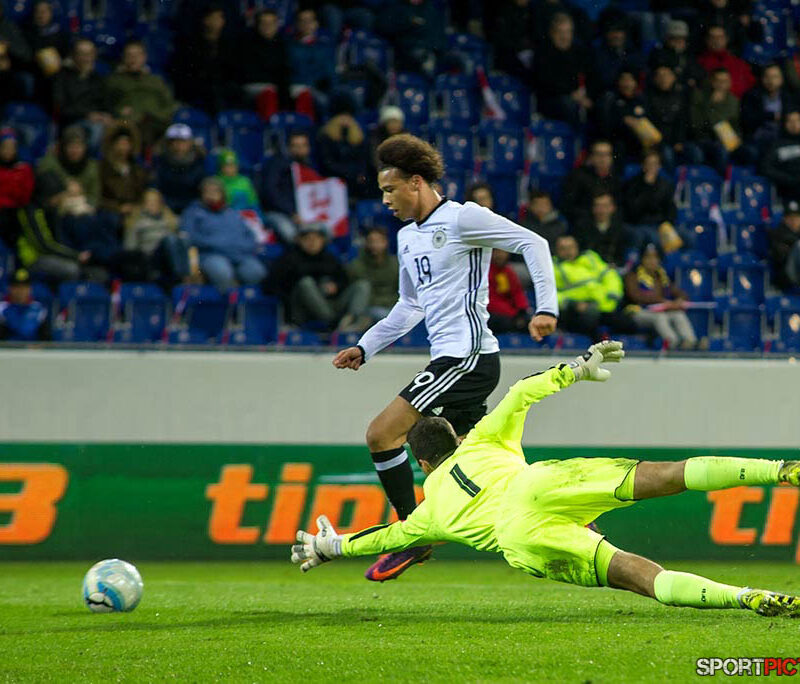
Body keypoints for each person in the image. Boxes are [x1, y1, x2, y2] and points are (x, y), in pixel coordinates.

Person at [294, 341, 800, 621]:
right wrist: (576, 370)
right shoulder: (484, 441)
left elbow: (382, 538)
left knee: (636, 574)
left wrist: (330, 547)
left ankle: (746, 597)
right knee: (665, 476)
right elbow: (518, 393)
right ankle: (780, 471)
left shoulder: (430, 510)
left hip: (520, 538)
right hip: (537, 485)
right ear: (454, 434)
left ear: (422, 464)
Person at [332, 133, 558, 581]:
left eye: (390, 189)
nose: (385, 199)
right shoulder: (406, 238)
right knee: (484, 459)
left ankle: (411, 534)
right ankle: (564, 515)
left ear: (416, 182)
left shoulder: (463, 218)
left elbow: (534, 243)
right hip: (453, 359)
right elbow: (409, 306)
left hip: (467, 357)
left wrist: (546, 307)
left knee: (382, 434)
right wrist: (366, 346)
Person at [269, 223, 371, 331]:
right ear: (300, 241)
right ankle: (334, 324)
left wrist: (336, 286)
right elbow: (272, 285)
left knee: (362, 285)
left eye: (316, 238)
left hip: (330, 302)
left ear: (323, 240)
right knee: (306, 283)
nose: (312, 242)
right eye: (308, 239)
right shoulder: (289, 259)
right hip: (302, 309)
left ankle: (351, 321)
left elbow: (344, 280)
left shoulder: (330, 258)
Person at [181, 177, 266, 291]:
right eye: (208, 191)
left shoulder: (232, 213)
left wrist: (244, 247)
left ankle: (248, 306)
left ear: (222, 193)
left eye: (215, 191)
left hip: (240, 255)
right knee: (223, 273)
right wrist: (216, 244)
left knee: (257, 272)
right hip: (211, 255)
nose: (212, 194)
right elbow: (189, 236)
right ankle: (228, 305)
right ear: (202, 194)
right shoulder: (193, 212)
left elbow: (250, 236)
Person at [552, 234, 635, 339]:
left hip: (603, 304)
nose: (568, 251)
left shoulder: (590, 257)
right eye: (563, 248)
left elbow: (609, 274)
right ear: (556, 250)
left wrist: (613, 293)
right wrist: (572, 304)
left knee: (629, 324)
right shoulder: (552, 266)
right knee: (590, 323)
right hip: (576, 309)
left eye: (571, 247)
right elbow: (550, 293)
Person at [624, 245, 697, 349]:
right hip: (638, 312)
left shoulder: (661, 276)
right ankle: (672, 343)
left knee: (678, 314)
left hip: (661, 310)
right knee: (660, 318)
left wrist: (679, 299)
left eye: (655, 257)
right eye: (648, 258)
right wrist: (664, 302)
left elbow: (679, 292)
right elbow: (636, 296)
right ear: (642, 260)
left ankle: (690, 342)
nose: (652, 261)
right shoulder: (633, 275)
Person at [106, 40, 177, 147]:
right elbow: (107, 104)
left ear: (144, 57)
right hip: (129, 123)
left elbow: (169, 104)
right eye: (129, 55)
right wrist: (119, 111)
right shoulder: (114, 81)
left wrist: (161, 115)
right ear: (123, 58)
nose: (133, 59)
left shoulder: (156, 81)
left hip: (157, 122)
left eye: (137, 55)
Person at [171, 3, 237, 114]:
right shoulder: (191, 45)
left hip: (223, 87)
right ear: (206, 20)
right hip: (199, 88)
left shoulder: (228, 45)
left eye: (220, 17)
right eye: (215, 18)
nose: (218, 21)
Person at [532, 13, 591, 129]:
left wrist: (587, 96)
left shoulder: (578, 52)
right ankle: (575, 142)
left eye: (568, 32)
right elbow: (545, 83)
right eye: (560, 32)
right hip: (551, 101)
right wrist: (572, 94)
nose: (565, 37)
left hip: (577, 98)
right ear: (552, 33)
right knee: (568, 104)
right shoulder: (543, 53)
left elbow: (591, 76)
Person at [52, 39, 112, 151]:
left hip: (97, 120)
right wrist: (87, 115)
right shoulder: (62, 77)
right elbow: (61, 107)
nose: (86, 58)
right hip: (72, 121)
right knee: (96, 130)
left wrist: (106, 115)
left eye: (89, 54)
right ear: (74, 56)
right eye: (82, 54)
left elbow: (105, 103)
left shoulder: (98, 79)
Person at [125, 188, 192, 287]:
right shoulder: (137, 222)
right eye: (149, 201)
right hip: (150, 256)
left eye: (155, 201)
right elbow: (130, 247)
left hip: (168, 256)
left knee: (184, 238)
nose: (152, 204)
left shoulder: (170, 219)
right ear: (143, 204)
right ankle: (182, 276)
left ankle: (185, 274)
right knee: (170, 239)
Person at [259, 130, 315, 244]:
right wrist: (291, 212)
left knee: (323, 231)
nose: (300, 149)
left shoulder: (310, 167)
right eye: (296, 146)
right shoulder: (277, 164)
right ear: (289, 147)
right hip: (278, 213)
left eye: (304, 145)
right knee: (292, 235)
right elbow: (271, 192)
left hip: (303, 214)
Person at [689, 68, 745, 174]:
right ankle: (719, 183)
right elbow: (697, 124)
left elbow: (736, 125)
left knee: (749, 152)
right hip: (704, 139)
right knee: (721, 151)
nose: (721, 85)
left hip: (729, 141)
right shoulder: (699, 97)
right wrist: (713, 105)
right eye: (718, 81)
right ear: (711, 81)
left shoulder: (734, 101)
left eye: (724, 81)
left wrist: (737, 138)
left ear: (729, 83)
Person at [317, 92, 371, 199]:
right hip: (334, 180)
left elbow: (363, 159)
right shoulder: (326, 136)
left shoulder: (358, 136)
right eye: (342, 116)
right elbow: (327, 162)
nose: (345, 119)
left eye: (347, 116)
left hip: (354, 180)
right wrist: (349, 173)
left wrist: (359, 173)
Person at [238, 9, 290, 120]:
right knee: (269, 93)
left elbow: (284, 72)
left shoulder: (282, 45)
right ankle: (269, 130)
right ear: (257, 25)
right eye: (264, 23)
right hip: (253, 86)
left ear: (277, 25)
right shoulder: (247, 44)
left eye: (271, 23)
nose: (268, 27)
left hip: (274, 88)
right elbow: (246, 73)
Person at [621, 150, 678, 249]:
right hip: (641, 224)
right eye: (649, 164)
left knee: (688, 236)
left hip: (661, 224)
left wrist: (667, 224)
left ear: (659, 166)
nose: (652, 167)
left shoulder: (665, 185)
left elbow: (671, 208)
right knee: (654, 238)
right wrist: (647, 187)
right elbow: (633, 211)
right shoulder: (633, 184)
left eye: (655, 164)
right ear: (643, 166)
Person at [37, 124, 100, 208]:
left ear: (85, 148)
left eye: (79, 146)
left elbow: (94, 197)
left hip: (84, 210)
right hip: (55, 209)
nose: (75, 150)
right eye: (71, 146)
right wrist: (66, 186)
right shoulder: (51, 163)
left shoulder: (92, 167)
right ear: (64, 147)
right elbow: (43, 181)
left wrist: (81, 195)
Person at [645, 64, 695, 170]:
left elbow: (683, 121)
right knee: (668, 155)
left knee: (696, 153)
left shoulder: (681, 97)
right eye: (660, 76)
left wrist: (679, 141)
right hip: (659, 141)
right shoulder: (648, 98)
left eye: (667, 75)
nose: (664, 79)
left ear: (673, 77)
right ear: (654, 79)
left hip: (677, 139)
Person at [560, 140, 619, 226]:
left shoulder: (615, 178)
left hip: (611, 225)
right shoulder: (577, 176)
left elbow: (620, 206)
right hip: (584, 223)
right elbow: (567, 206)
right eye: (599, 154)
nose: (603, 158)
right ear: (592, 157)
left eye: (607, 154)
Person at [595, 70, 649, 164]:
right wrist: (623, 121)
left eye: (630, 80)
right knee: (619, 146)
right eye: (624, 80)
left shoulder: (641, 100)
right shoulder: (611, 99)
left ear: (635, 82)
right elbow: (605, 125)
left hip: (638, 139)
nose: (627, 84)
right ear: (618, 82)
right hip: (617, 139)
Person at [347, 226, 399, 322]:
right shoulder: (356, 266)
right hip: (370, 308)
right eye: (371, 241)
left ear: (386, 242)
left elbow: (402, 291)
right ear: (366, 243)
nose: (375, 245)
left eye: (379, 241)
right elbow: (359, 296)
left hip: (393, 306)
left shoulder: (396, 264)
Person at [99, 122, 148, 220]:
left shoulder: (137, 169)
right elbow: (98, 197)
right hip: (110, 211)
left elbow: (141, 194)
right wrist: (118, 208)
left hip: (134, 210)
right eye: (120, 143)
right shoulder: (103, 168)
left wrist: (135, 207)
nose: (123, 147)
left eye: (126, 143)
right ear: (113, 145)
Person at [154, 123, 206, 214]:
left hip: (193, 207)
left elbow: (203, 189)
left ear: (190, 142)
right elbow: (156, 187)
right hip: (165, 207)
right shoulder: (160, 162)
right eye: (174, 141)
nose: (178, 145)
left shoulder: (200, 161)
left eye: (183, 141)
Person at [741, 63, 796, 148]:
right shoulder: (752, 96)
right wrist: (772, 116)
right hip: (758, 140)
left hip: (782, 139)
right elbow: (747, 120)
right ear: (762, 78)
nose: (771, 81)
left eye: (775, 77)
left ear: (781, 79)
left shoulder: (788, 97)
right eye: (767, 77)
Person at [696, 25, 755, 100]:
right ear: (707, 40)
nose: (716, 40)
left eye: (720, 37)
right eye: (712, 37)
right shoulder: (699, 63)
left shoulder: (739, 64)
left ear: (726, 39)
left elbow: (749, 87)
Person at [573, 191, 630, 266]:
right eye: (597, 206)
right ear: (593, 208)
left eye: (605, 206)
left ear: (613, 208)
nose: (601, 210)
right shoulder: (582, 228)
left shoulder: (622, 229)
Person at [648, 20, 705, 90]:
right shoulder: (658, 53)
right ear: (667, 38)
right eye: (674, 38)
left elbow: (697, 72)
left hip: (686, 92)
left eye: (682, 38)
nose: (678, 41)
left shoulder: (690, 54)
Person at [487, 249, 532, 334]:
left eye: (503, 252)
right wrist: (513, 314)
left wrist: (522, 311)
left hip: (510, 313)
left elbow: (517, 292)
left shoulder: (508, 271)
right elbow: (491, 299)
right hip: (494, 314)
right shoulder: (486, 272)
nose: (500, 255)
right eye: (496, 252)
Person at [761, 110, 800, 205]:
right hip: (785, 192)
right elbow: (766, 167)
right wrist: (788, 179)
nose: (794, 124)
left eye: (797, 120)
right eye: (790, 121)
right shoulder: (777, 145)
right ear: (785, 124)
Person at [0, 268, 50, 341]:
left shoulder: (40, 310)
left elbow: (46, 338)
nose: (20, 291)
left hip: (33, 351)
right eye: (16, 287)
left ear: (30, 289)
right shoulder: (2, 309)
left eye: (24, 287)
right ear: (9, 288)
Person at [769, 200, 800, 290]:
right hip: (787, 276)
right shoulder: (777, 234)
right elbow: (778, 257)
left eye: (797, 217)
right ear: (784, 219)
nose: (793, 221)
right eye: (790, 217)